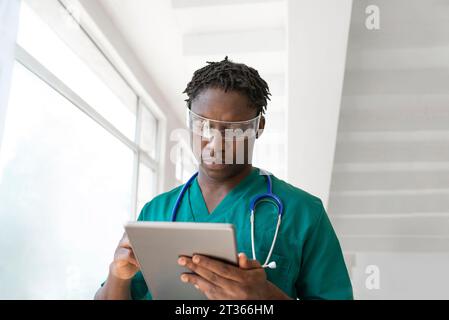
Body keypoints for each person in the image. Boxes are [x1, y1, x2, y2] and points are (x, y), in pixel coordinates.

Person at [95, 57, 353, 300]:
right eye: (203, 126)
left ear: (258, 126)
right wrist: (117, 275)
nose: (216, 142)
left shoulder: (303, 213)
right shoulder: (156, 211)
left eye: (234, 129)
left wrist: (265, 295)